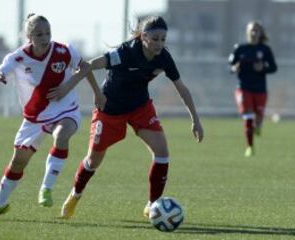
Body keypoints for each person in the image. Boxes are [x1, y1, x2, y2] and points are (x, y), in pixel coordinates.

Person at [50, 16, 204, 219]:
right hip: (110, 110)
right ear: (144, 36)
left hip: (141, 107)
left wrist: (195, 119)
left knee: (162, 152)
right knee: (93, 160)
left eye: (163, 39)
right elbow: (90, 65)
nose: (159, 44)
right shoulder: (124, 52)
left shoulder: (164, 58)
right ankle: (75, 195)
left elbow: (182, 89)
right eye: (155, 39)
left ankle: (152, 205)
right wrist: (76, 87)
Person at [0, 13, 105, 220]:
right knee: (18, 163)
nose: (45, 37)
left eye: (47, 33)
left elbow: (86, 66)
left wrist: (79, 89)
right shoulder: (17, 57)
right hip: (34, 118)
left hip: (66, 109)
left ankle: (46, 188)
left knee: (62, 135)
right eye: (39, 34)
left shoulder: (64, 51)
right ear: (29, 37)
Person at [229, 21, 277, 157]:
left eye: (257, 30)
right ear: (247, 32)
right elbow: (230, 66)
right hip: (243, 88)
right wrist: (234, 68)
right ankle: (250, 147)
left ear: (261, 33)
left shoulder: (265, 50)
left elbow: (274, 68)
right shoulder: (240, 48)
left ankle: (259, 126)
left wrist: (263, 68)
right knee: (248, 116)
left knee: (259, 118)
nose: (254, 33)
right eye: (252, 30)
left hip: (260, 89)